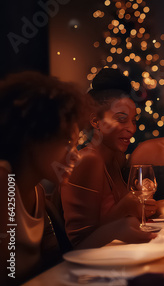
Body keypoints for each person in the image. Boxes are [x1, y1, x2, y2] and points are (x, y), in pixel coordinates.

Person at [0, 72, 154, 285]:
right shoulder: (4, 183)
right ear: (32, 136)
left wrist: (115, 230)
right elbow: (7, 274)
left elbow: (57, 264)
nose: (74, 154)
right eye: (66, 142)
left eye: (74, 144)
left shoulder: (37, 193)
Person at [60, 68, 156, 246]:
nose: (132, 129)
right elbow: (81, 243)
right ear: (96, 121)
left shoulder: (117, 158)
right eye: (121, 119)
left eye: (133, 121)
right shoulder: (88, 160)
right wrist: (125, 208)